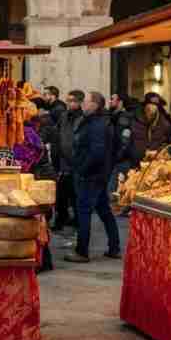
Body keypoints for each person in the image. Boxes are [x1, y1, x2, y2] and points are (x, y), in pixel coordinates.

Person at [65, 91, 122, 263]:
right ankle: (114, 247)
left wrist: (82, 169)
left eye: (86, 101)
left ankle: (82, 251)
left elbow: (96, 153)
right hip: (97, 174)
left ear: (95, 105)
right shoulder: (94, 121)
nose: (83, 104)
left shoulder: (97, 124)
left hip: (91, 175)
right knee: (104, 210)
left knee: (83, 212)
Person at [55, 90, 84, 235]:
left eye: (72, 100)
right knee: (61, 195)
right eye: (68, 100)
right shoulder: (64, 116)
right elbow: (58, 132)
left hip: (77, 162)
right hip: (63, 162)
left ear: (79, 102)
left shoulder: (83, 118)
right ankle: (60, 220)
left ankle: (78, 222)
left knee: (75, 196)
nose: (69, 103)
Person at [106, 93, 136, 206]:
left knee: (114, 189)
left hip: (121, 160)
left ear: (120, 102)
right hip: (114, 158)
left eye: (112, 99)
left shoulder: (124, 118)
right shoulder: (113, 116)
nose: (110, 101)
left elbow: (125, 141)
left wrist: (117, 156)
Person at [131, 92, 171, 161]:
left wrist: (159, 152)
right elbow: (129, 145)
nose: (152, 107)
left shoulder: (165, 124)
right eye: (150, 104)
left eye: (155, 105)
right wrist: (143, 153)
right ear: (144, 105)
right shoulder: (134, 121)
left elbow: (170, 144)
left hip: (156, 163)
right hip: (136, 162)